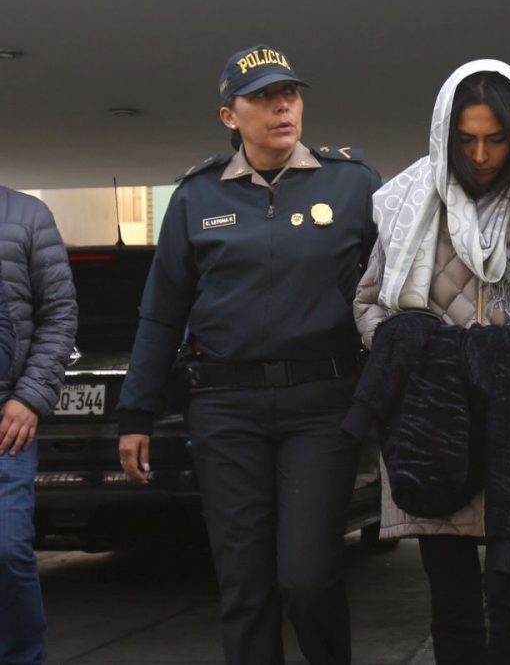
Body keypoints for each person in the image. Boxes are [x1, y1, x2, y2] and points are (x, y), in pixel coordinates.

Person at [117, 45, 381, 665]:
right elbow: (162, 314)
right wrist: (135, 413)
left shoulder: (352, 183)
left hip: (322, 406)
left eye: (288, 93)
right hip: (225, 407)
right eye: (262, 97)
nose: (281, 106)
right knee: (244, 581)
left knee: (308, 575)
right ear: (229, 116)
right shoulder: (196, 196)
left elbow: (393, 294)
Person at [353, 59, 510, 665]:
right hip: (432, 420)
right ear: (446, 134)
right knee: (452, 598)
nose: (482, 155)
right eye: (466, 140)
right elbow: (369, 304)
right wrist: (423, 349)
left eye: (496, 139)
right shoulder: (410, 207)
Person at [0, 186, 77, 665]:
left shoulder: (26, 215)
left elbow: (59, 315)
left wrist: (28, 398)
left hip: (6, 425)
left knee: (7, 552)